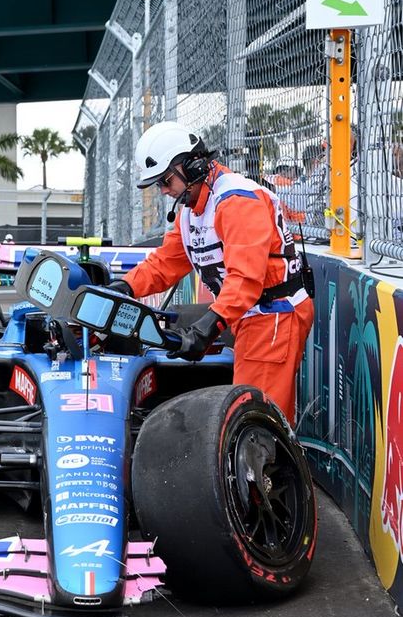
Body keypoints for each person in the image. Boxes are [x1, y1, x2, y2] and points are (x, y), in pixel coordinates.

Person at [111, 120, 314, 425]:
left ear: (192, 166)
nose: (165, 191)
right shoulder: (192, 211)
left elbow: (245, 278)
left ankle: (269, 471)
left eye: (166, 180)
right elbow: (166, 262)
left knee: (255, 421)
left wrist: (207, 328)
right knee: (249, 415)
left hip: (274, 314)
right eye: (160, 185)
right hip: (252, 315)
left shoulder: (237, 201)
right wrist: (124, 287)